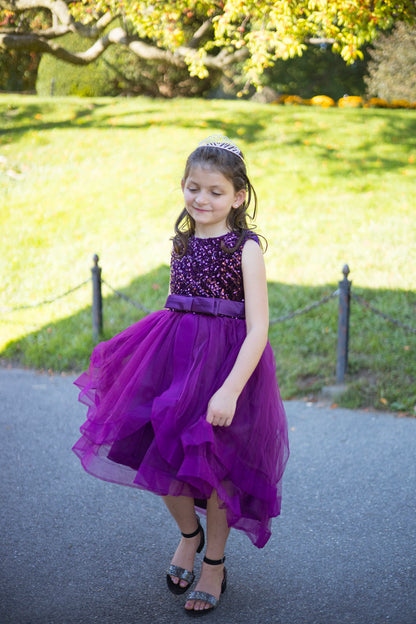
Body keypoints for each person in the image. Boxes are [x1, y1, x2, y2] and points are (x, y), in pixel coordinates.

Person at [73, 135, 289, 617]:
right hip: (173, 358)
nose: (201, 199)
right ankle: (188, 535)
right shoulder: (183, 242)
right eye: (193, 188)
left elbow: (259, 328)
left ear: (237, 196)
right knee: (160, 452)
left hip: (226, 368)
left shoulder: (245, 248)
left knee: (215, 468)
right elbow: (177, 305)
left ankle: (214, 561)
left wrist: (230, 390)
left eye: (215, 191)